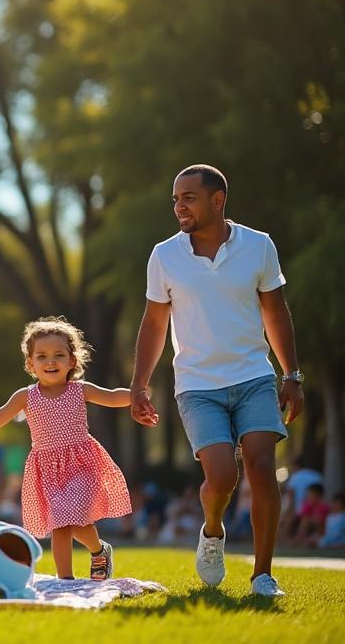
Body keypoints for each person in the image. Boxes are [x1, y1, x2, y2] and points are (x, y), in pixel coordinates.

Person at [129, 164, 303, 597]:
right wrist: (139, 385)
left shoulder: (259, 246)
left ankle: (263, 575)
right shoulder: (164, 255)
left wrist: (291, 374)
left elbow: (275, 312)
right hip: (197, 384)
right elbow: (154, 324)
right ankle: (212, 531)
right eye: (175, 199)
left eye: (188, 197)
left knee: (261, 468)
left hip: (253, 375)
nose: (179, 207)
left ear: (217, 199)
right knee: (223, 477)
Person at [0, 317, 133, 581]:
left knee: (70, 517)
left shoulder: (79, 390)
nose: (50, 361)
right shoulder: (25, 396)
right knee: (61, 523)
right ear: (30, 364)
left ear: (72, 361)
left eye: (58, 355)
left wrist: (138, 395)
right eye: (41, 356)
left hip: (81, 463)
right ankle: (74, 572)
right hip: (48, 470)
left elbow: (111, 396)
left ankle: (90, 557)